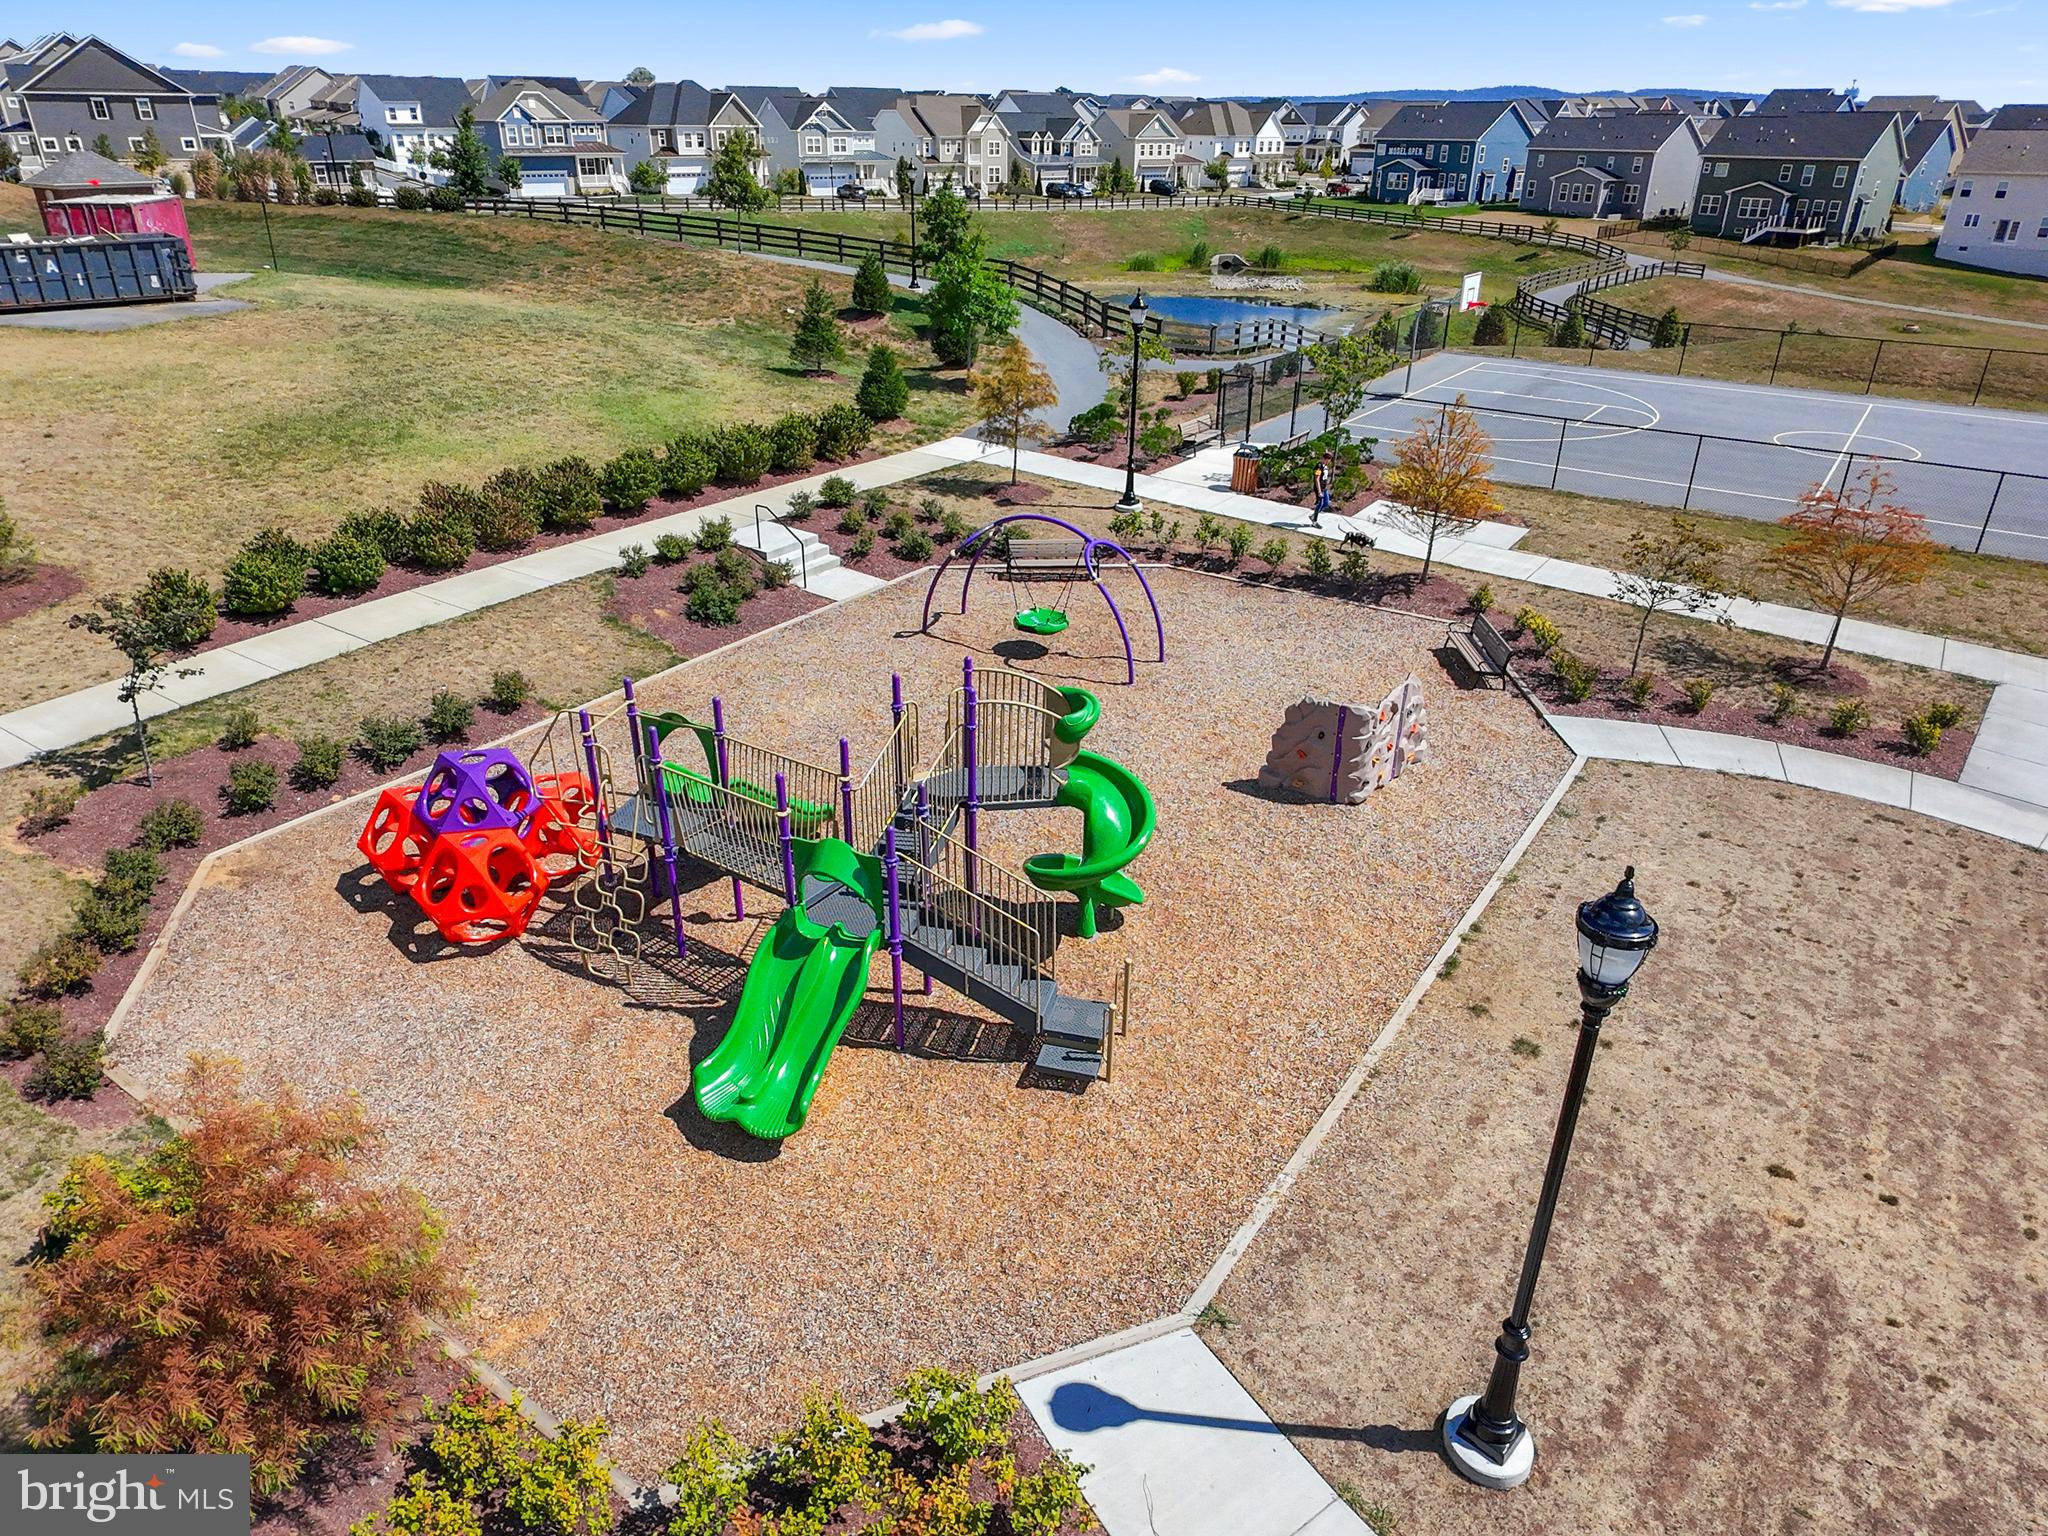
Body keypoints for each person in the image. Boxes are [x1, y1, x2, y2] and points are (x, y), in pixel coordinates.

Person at [1310, 452, 1333, 527]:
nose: (1328, 461)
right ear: (1323, 458)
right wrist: (1319, 491)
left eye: (1329, 460)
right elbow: (1317, 479)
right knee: (1320, 504)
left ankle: (1313, 515)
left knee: (1326, 503)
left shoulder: (1326, 466)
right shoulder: (1319, 466)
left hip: (1324, 488)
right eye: (1326, 459)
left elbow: (1325, 478)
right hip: (1319, 488)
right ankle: (1314, 521)